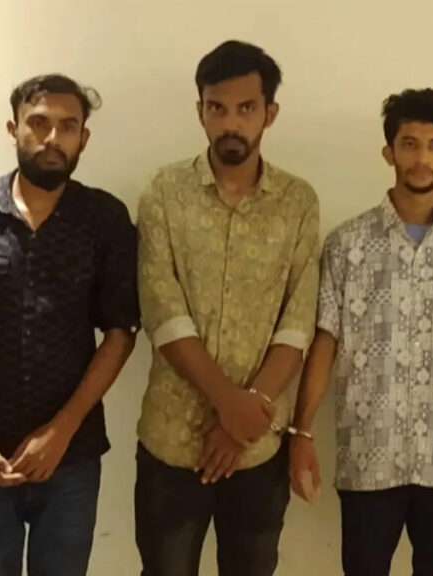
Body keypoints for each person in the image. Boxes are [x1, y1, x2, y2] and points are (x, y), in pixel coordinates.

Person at [289, 88, 433, 576]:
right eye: (409, 144)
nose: (422, 158)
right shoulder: (347, 245)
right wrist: (301, 431)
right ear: (389, 152)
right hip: (370, 454)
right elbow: (325, 341)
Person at [0, 74, 140, 576]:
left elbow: (120, 331)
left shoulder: (104, 218)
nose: (52, 137)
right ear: (13, 129)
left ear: (83, 137)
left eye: (67, 126)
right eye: (39, 123)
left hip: (71, 457)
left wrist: (61, 431)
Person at [134, 40, 320, 576]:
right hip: (173, 441)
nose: (230, 123)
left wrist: (247, 413)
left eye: (246, 108)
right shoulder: (164, 192)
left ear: (270, 113)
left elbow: (298, 322)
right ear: (200, 112)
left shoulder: (298, 202)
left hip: (257, 448)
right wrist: (230, 405)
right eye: (217, 108)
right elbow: (162, 311)